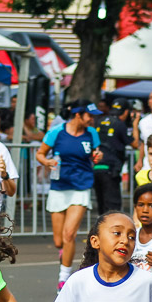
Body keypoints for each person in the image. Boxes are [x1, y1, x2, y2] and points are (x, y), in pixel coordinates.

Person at [36, 99, 103, 290]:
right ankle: (64, 252)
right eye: (89, 116)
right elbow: (40, 153)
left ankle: (63, 278)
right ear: (78, 115)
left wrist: (98, 157)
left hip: (81, 187)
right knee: (59, 240)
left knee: (69, 234)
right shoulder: (57, 131)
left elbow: (96, 154)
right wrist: (47, 162)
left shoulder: (91, 134)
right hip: (59, 187)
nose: (92, 120)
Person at [93, 97, 133, 214]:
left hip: (97, 169)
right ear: (126, 112)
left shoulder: (99, 121)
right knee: (113, 209)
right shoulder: (120, 124)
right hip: (111, 171)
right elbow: (134, 143)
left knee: (102, 208)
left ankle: (102, 230)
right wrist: (135, 125)